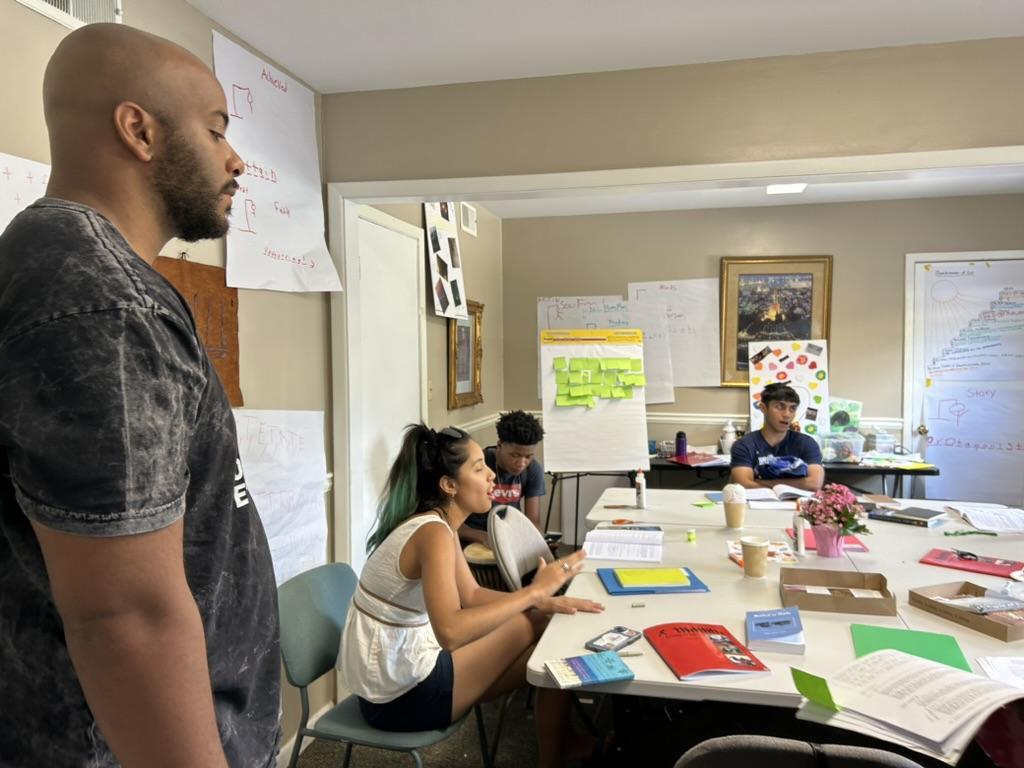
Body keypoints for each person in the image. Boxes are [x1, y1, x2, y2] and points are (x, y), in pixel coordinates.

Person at [0, 24, 279, 768]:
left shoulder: (66, 273)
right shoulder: (105, 306)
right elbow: (123, 614)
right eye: (216, 131)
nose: (236, 160)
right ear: (139, 130)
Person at [337, 424, 603, 768]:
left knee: (549, 651)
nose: (492, 475)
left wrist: (542, 600)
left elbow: (473, 594)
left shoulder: (438, 526)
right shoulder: (432, 533)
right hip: (400, 699)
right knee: (540, 629)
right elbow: (450, 632)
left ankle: (561, 747)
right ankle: (554, 757)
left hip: (394, 682)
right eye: (479, 468)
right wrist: (535, 593)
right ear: (449, 486)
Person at [460, 410, 546, 546]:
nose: (521, 463)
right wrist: (482, 537)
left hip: (509, 536)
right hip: (474, 539)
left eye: (528, 457)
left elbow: (533, 520)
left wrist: (538, 541)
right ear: (499, 445)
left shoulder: (533, 469)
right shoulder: (478, 466)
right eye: (515, 455)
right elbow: (454, 523)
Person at [730, 382, 825, 492]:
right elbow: (743, 485)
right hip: (757, 505)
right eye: (780, 407)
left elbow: (815, 484)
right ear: (763, 408)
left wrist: (758, 482)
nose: (787, 415)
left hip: (796, 505)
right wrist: (799, 484)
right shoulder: (744, 444)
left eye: (792, 409)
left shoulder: (806, 443)